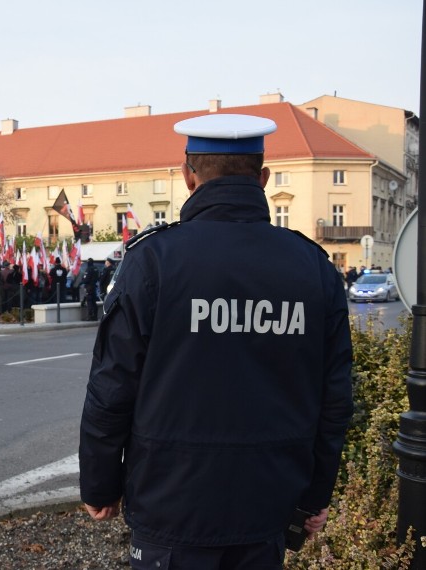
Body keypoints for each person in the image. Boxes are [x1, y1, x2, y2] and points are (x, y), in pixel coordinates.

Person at [79, 114, 354, 569]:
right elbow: (335, 400)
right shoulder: (313, 268)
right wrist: (314, 495)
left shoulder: (152, 262)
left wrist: (100, 485)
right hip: (268, 503)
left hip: (171, 505)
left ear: (189, 175)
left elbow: (111, 391)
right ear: (263, 178)